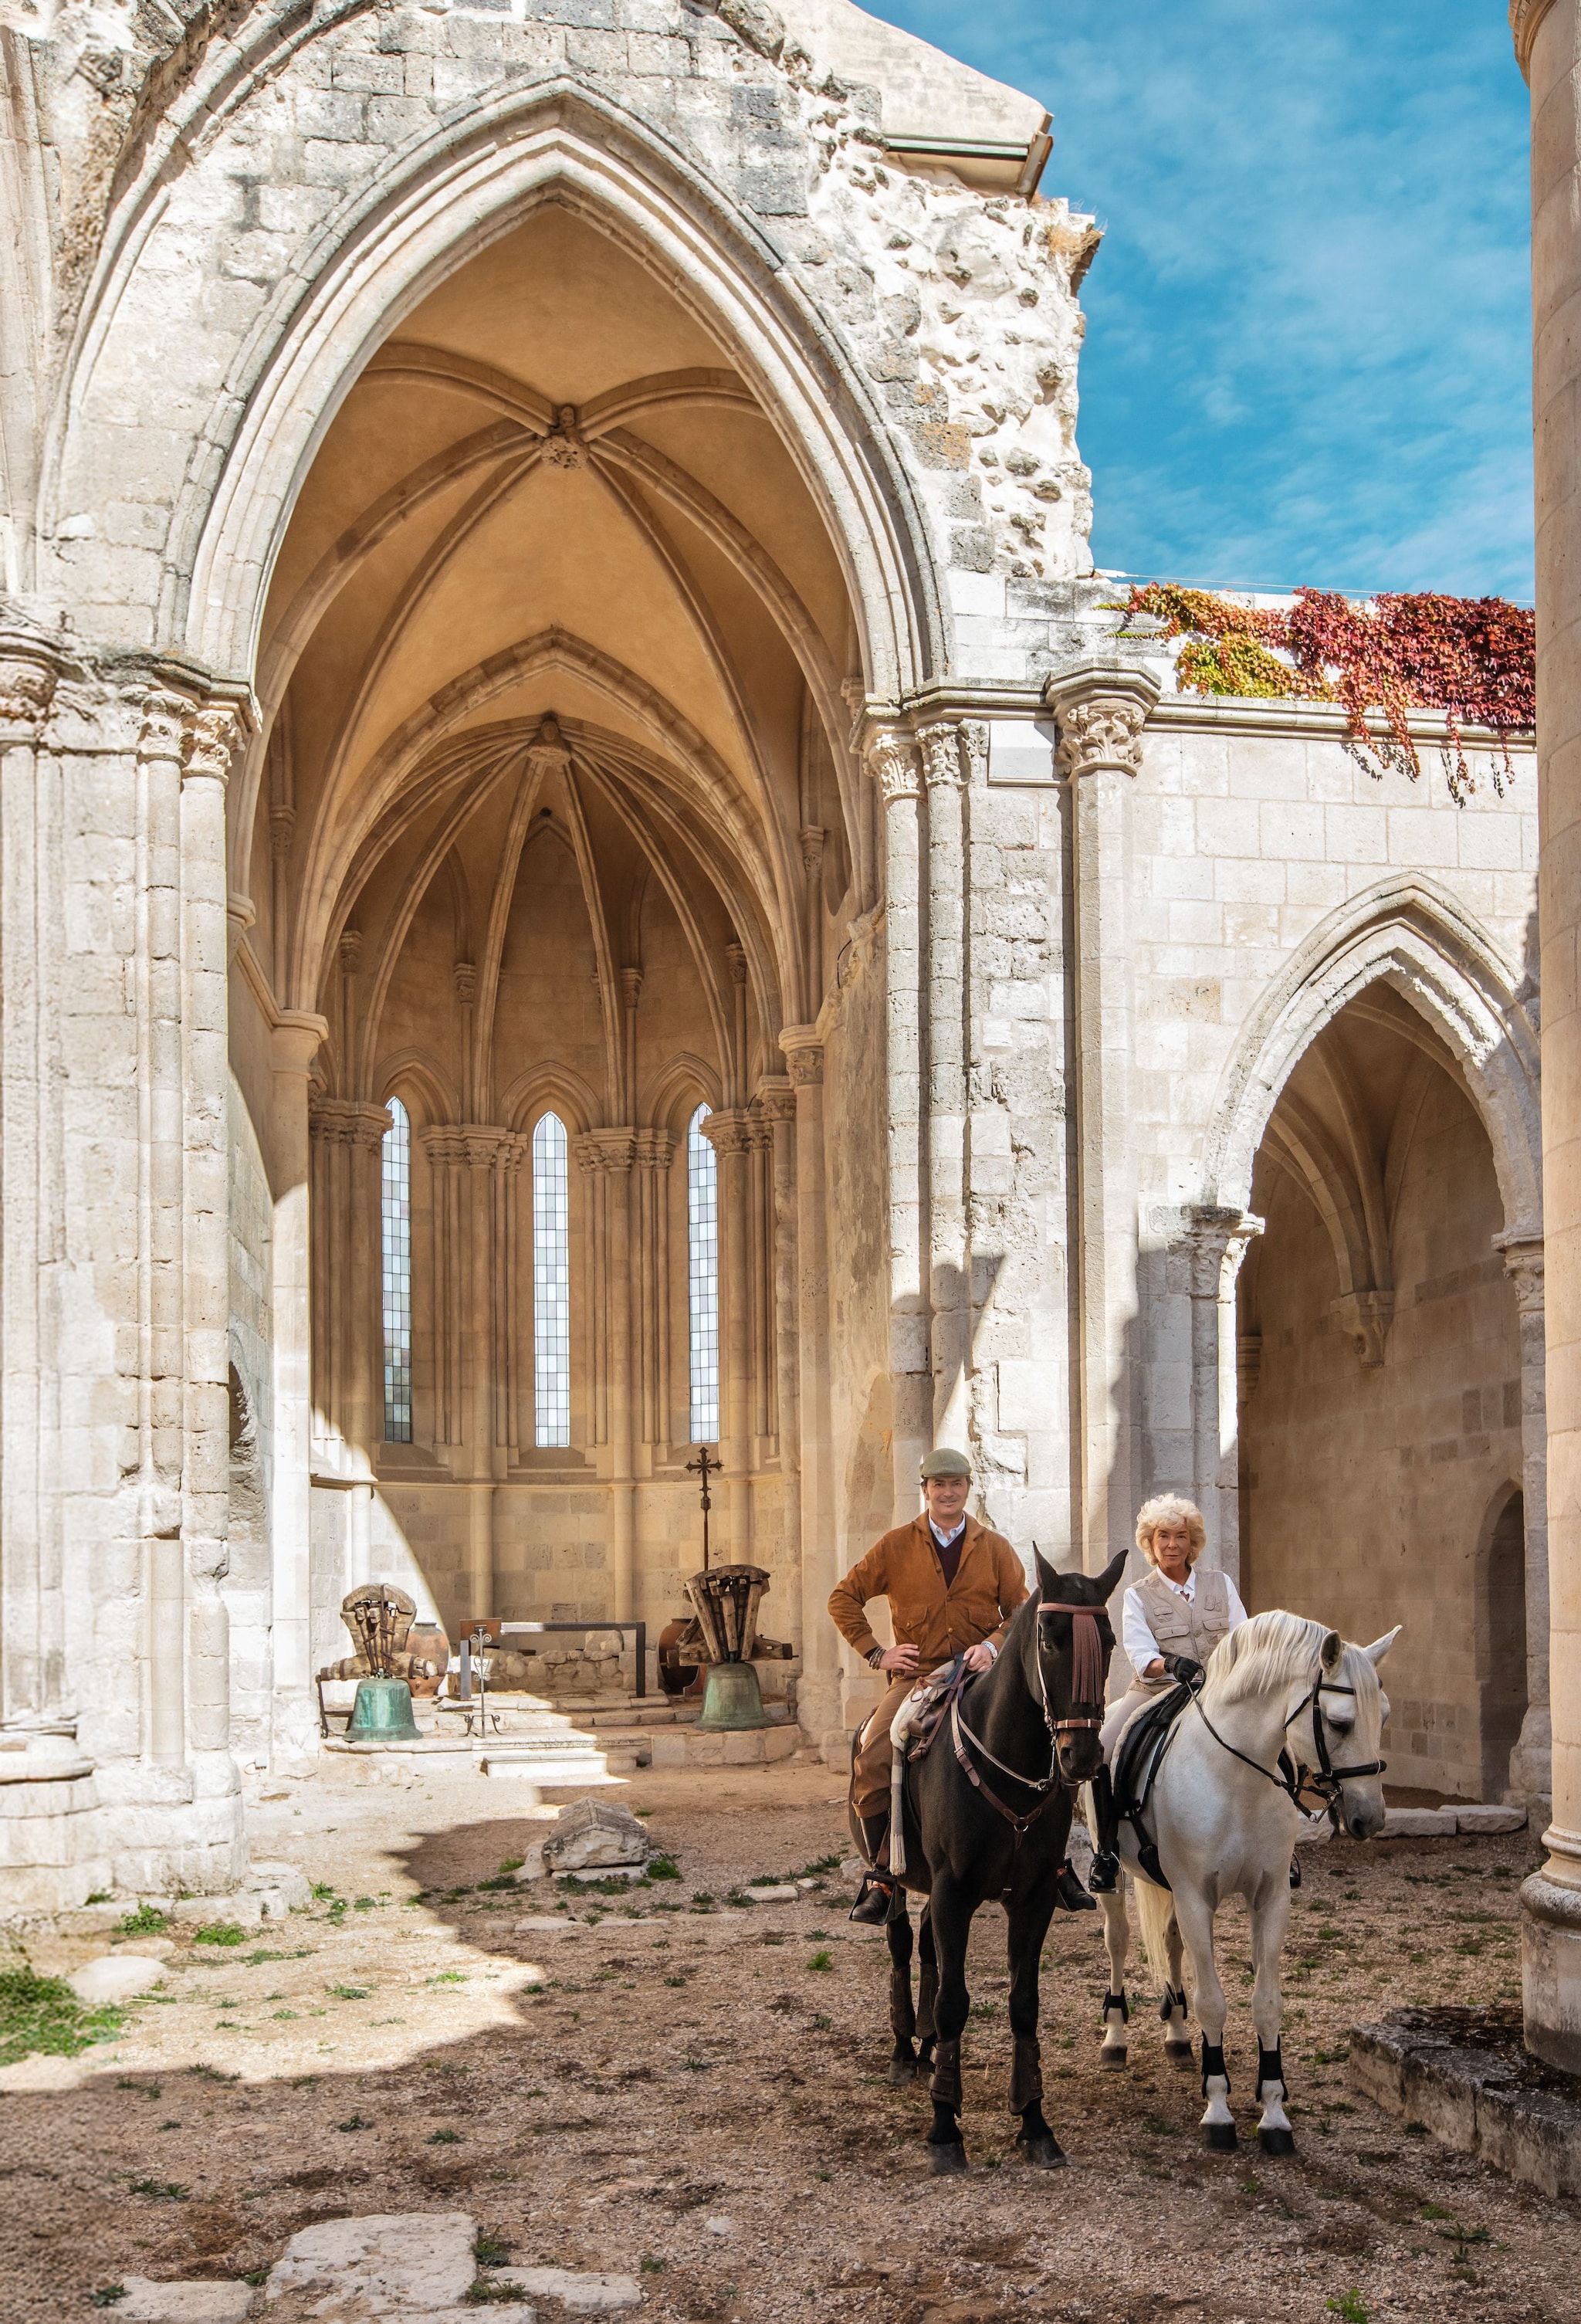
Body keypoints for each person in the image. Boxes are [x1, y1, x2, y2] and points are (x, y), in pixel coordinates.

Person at [828, 1446, 1092, 1924]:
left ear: (967, 1490)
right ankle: (883, 1873)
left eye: (956, 1485)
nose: (948, 1493)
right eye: (938, 1485)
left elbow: (1021, 1611)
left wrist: (992, 1644)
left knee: (1049, 1740)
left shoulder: (993, 1547)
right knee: (872, 1752)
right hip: (918, 1677)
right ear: (925, 1490)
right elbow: (843, 1598)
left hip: (982, 1675)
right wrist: (876, 1652)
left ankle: (1054, 1864)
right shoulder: (894, 1546)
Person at [1085, 1493, 1248, 1892]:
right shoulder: (1137, 1594)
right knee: (1101, 1752)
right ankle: (1106, 1852)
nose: (1172, 1544)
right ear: (1150, 1543)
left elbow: (1245, 1638)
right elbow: (1141, 1655)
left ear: (1193, 1543)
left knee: (1279, 1740)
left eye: (1180, 1536)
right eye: (1163, 1536)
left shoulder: (1220, 1584)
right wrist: (1172, 1665)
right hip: (1156, 1691)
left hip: (1218, 1690)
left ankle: (1278, 1845)